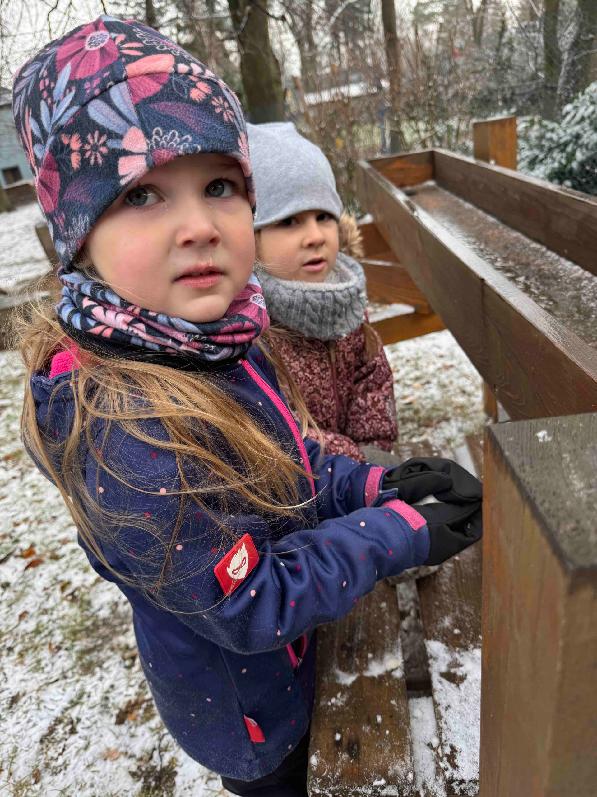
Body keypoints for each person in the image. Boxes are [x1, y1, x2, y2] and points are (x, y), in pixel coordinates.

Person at [13, 17, 482, 797]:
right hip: (253, 715)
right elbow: (249, 600)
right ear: (78, 236)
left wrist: (374, 484)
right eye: (141, 194)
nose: (199, 226)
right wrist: (396, 533)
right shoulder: (129, 436)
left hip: (293, 651)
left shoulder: (213, 338)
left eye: (219, 186)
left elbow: (281, 471)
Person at [248, 121, 397, 462]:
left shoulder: (346, 303)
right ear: (252, 237)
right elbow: (276, 430)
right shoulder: (250, 329)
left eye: (323, 217)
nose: (315, 236)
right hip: (298, 482)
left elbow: (372, 384)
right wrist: (352, 458)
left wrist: (373, 455)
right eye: (289, 221)